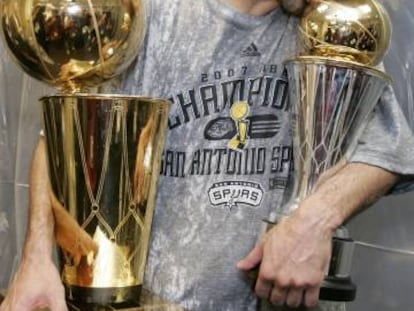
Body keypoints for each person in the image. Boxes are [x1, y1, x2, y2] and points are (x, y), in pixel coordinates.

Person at [1, 0, 414, 310]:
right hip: (143, 301)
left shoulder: (327, 28)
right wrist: (36, 260)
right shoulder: (149, 16)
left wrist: (314, 220)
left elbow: (389, 151)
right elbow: (66, 134)